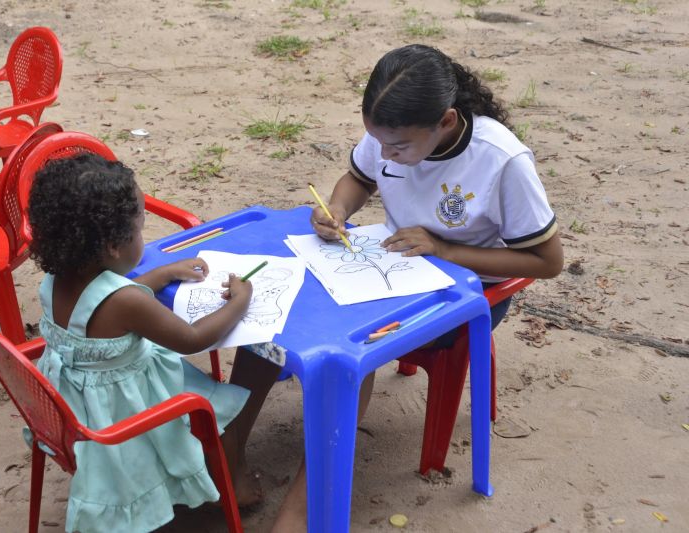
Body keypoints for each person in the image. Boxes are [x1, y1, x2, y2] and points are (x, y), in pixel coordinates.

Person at [234, 43, 565, 532]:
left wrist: (445, 250)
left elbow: (547, 260)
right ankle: (227, 452)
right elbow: (357, 178)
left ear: (447, 122)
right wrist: (337, 209)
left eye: (399, 148)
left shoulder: (500, 159)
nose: (386, 155)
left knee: (351, 348)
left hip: (467, 292)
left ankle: (304, 510)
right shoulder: (392, 133)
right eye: (379, 142)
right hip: (394, 266)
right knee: (273, 303)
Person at [26, 153, 272, 533]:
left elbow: (96, 309)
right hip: (125, 412)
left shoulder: (60, 277)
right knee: (225, 407)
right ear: (112, 245)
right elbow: (193, 338)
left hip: (75, 403)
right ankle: (229, 488)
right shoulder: (127, 302)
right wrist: (241, 301)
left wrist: (161, 273)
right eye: (140, 229)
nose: (143, 236)